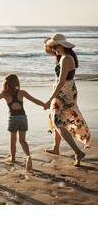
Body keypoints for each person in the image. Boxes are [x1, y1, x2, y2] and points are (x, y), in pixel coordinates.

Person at [0, 74, 46, 172]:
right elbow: (35, 101)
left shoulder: (4, 94)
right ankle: (28, 156)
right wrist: (44, 105)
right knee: (23, 141)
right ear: (17, 83)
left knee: (13, 141)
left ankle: (13, 158)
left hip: (13, 118)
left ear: (6, 83)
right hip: (23, 118)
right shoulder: (22, 92)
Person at [43, 34, 91, 166]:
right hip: (67, 91)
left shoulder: (66, 59)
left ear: (62, 45)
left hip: (64, 93)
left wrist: (49, 99)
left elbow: (61, 82)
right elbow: (47, 51)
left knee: (58, 123)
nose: (54, 49)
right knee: (56, 119)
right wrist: (46, 43)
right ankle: (56, 148)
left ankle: (77, 152)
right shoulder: (64, 57)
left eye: (56, 46)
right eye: (53, 47)